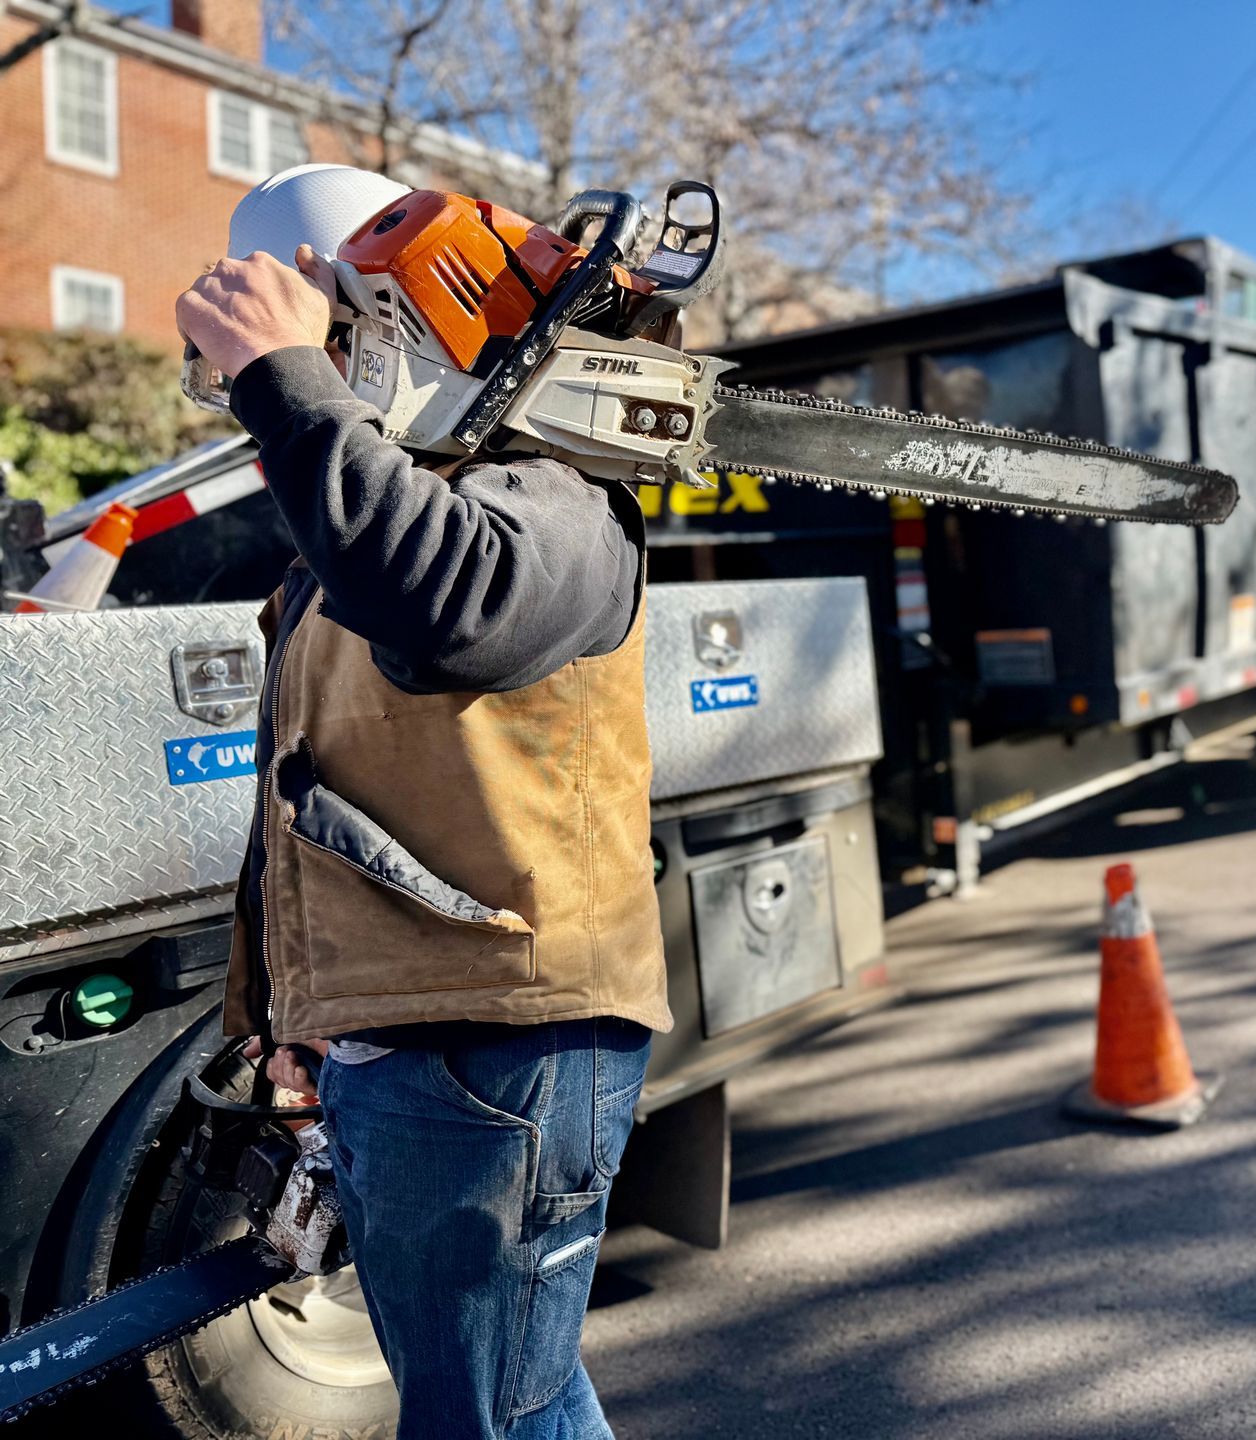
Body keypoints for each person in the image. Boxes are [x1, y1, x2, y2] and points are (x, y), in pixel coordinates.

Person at [175, 164, 668, 1440]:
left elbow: (451, 608)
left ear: (376, 325)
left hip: (502, 1043)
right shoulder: (361, 525)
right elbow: (309, 800)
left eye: (321, 346)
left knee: (483, 1415)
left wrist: (287, 382)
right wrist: (293, 1014)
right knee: (509, 1398)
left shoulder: (556, 493)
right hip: (413, 1041)